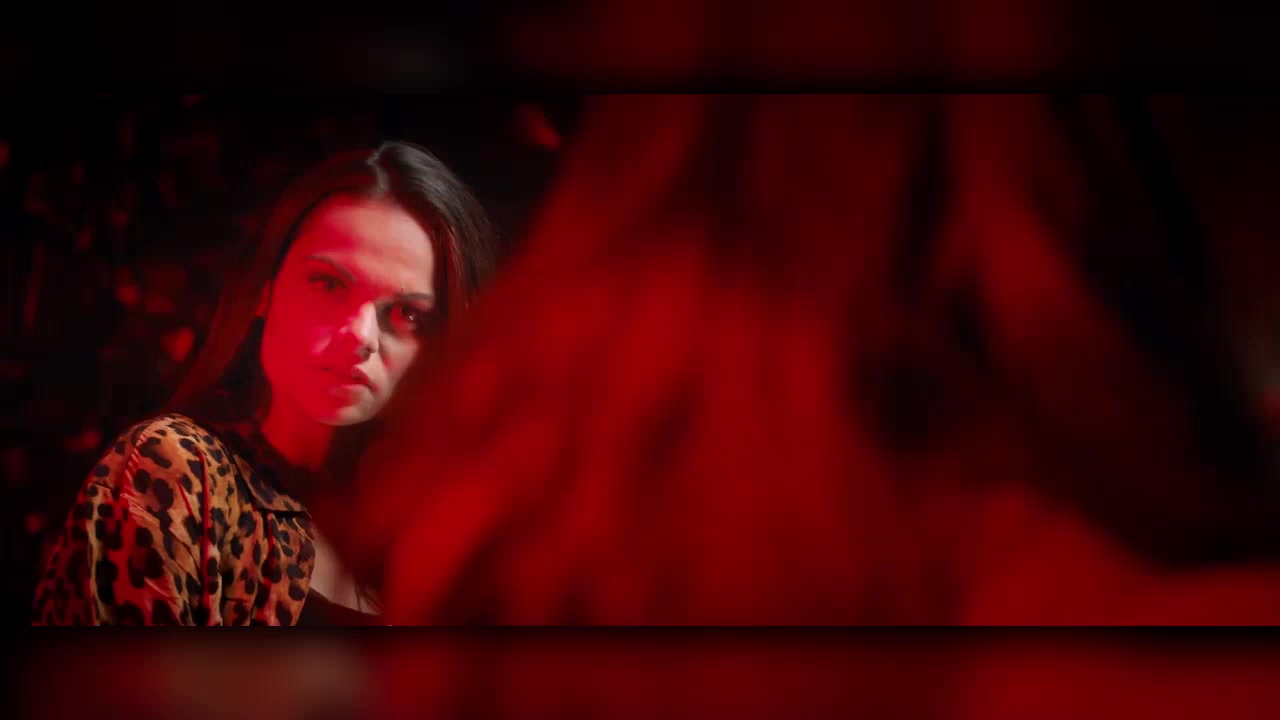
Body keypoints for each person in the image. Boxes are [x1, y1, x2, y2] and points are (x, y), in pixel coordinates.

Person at [30, 140, 496, 625]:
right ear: (264, 291)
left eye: (408, 314)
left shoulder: (432, 535)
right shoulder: (180, 467)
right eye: (328, 284)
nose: (361, 336)